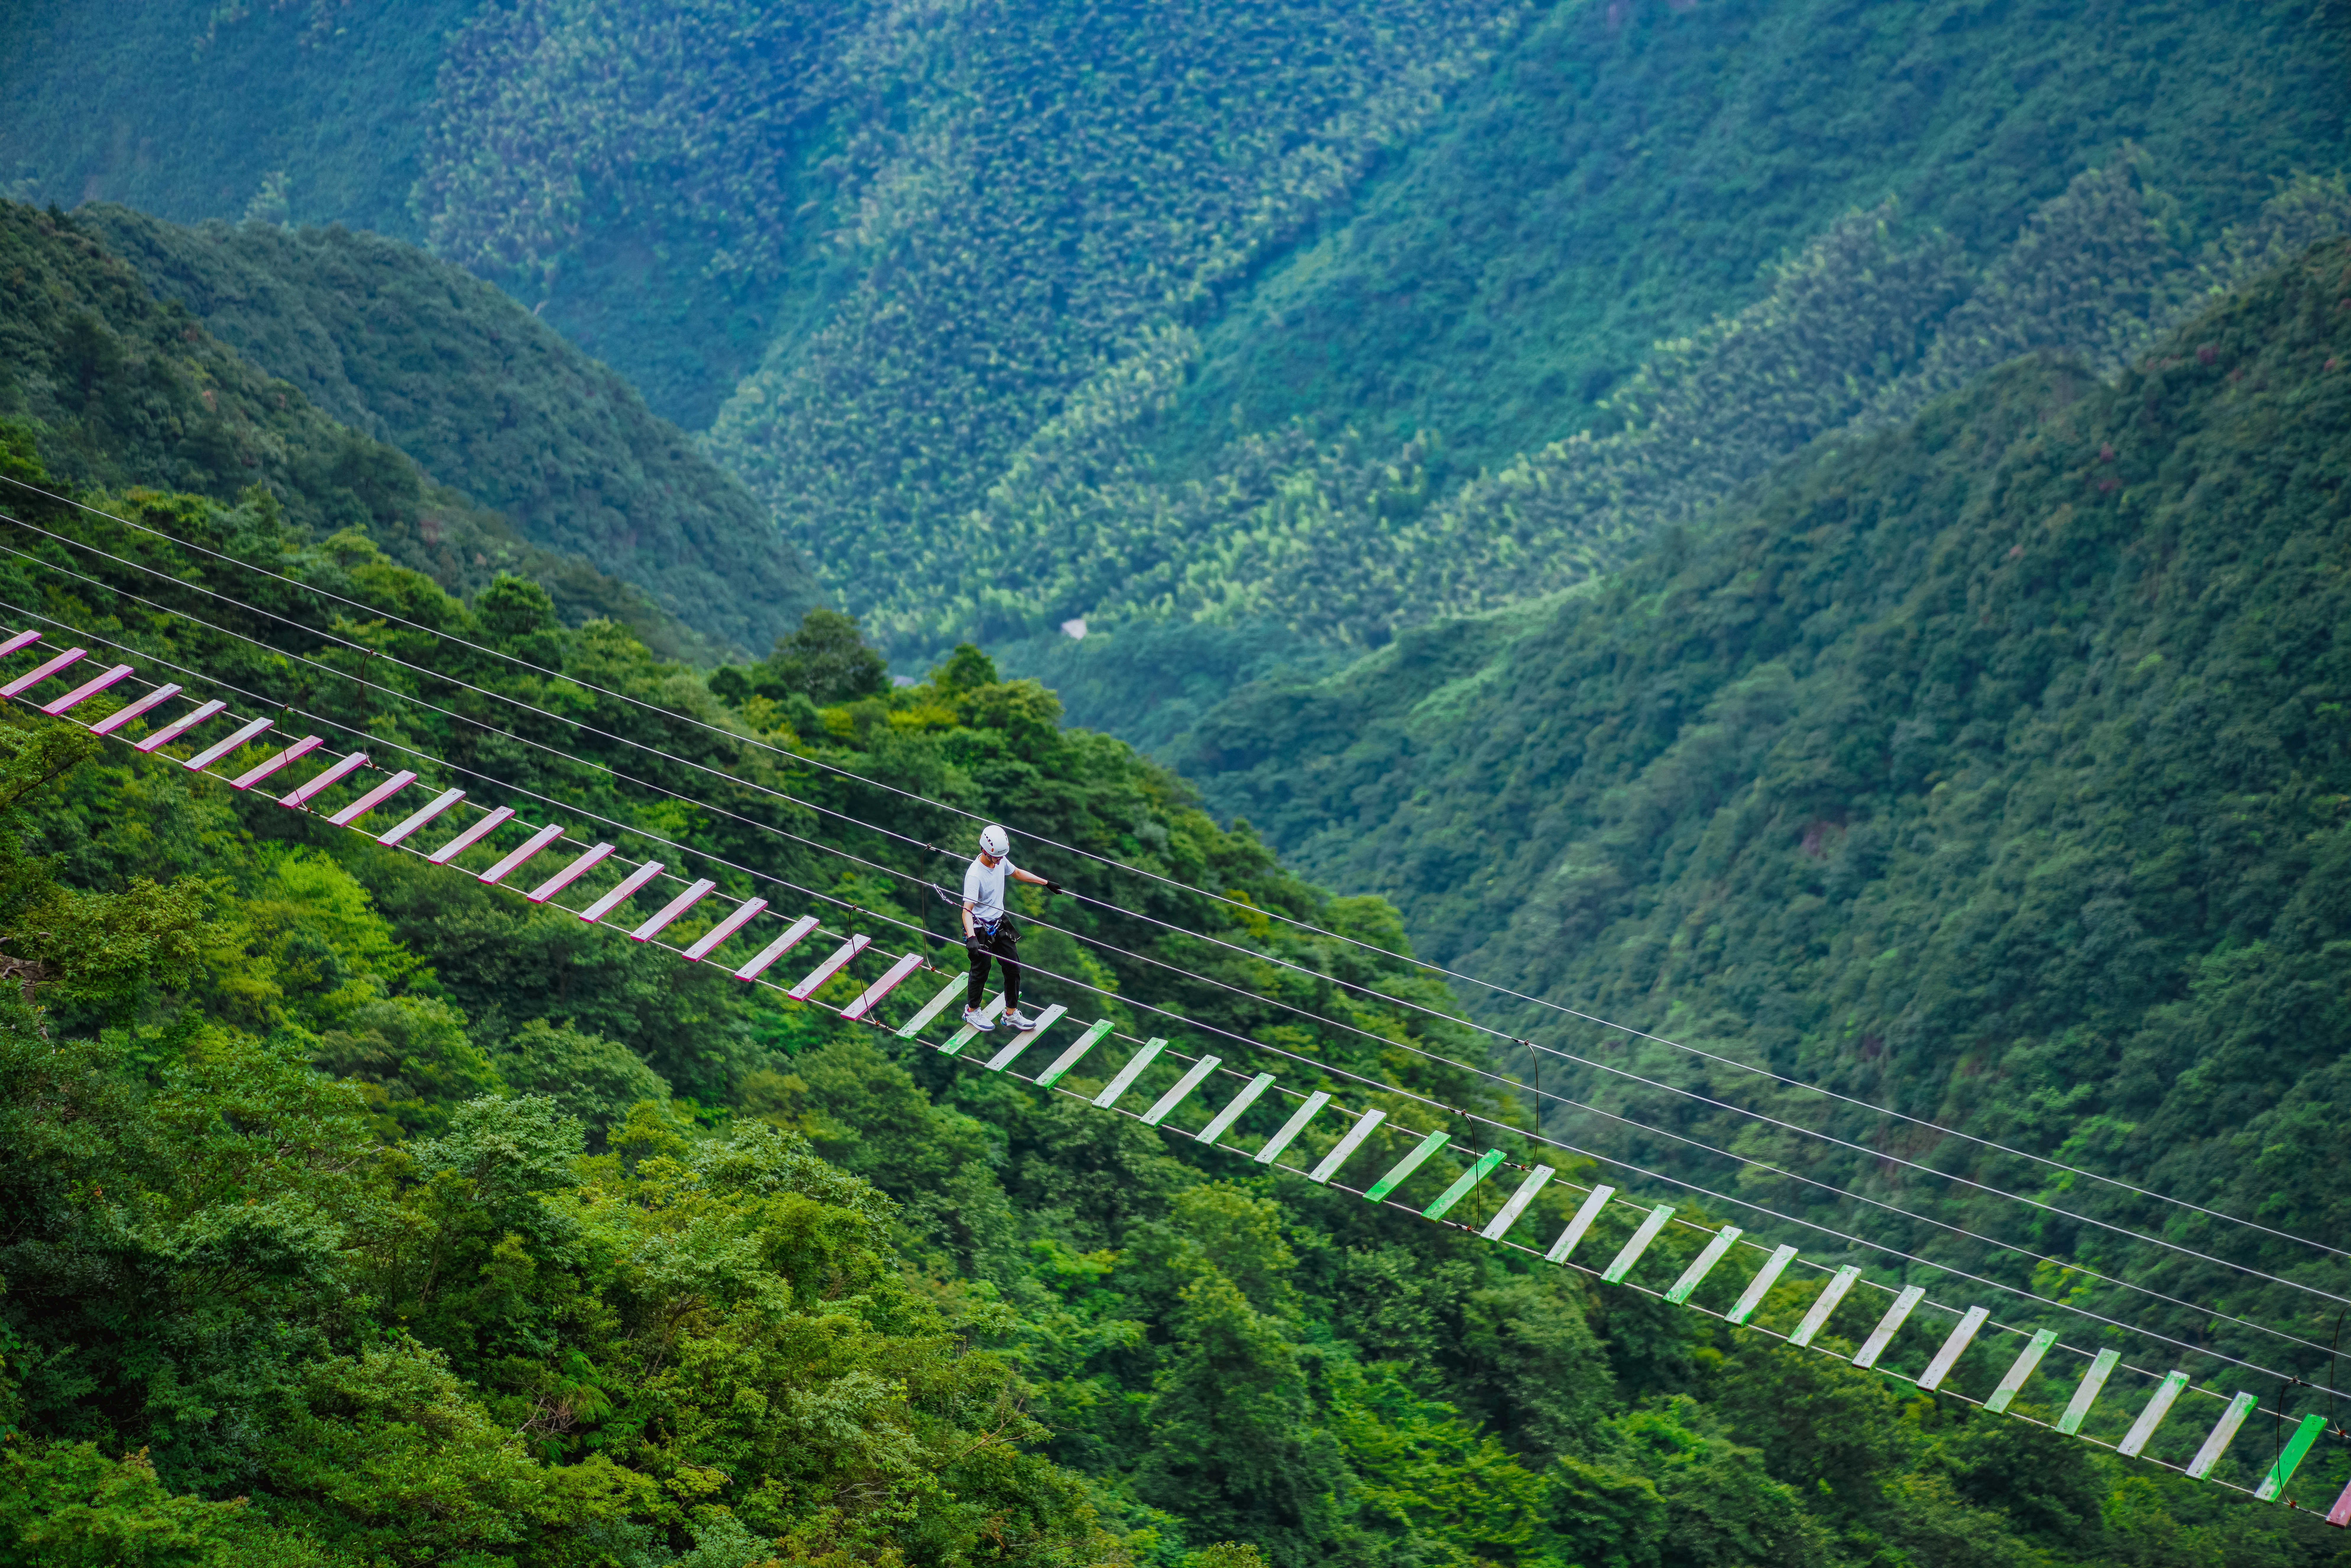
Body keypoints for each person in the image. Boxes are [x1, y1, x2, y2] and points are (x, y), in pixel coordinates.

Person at [961, 823, 1060, 1031]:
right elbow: (967, 911)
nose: (999, 861)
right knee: (981, 971)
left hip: (999, 924)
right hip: (979, 928)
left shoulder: (999, 860)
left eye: (1001, 857)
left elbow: (1016, 873)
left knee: (1013, 967)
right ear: (984, 851)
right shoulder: (975, 876)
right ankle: (972, 1012)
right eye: (996, 857)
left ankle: (1011, 1014)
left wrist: (1045, 883)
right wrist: (971, 938)